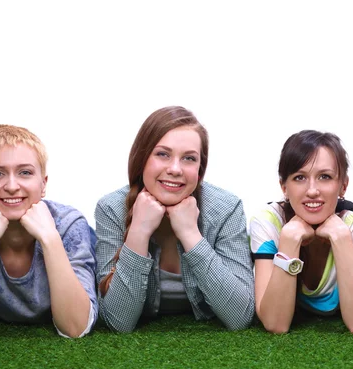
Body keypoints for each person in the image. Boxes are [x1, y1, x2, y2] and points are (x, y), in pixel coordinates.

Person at [95, 106, 254, 331]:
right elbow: (118, 323)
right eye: (163, 154)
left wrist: (190, 234)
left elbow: (240, 317)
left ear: (200, 170)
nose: (175, 169)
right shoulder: (111, 208)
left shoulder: (226, 208)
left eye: (189, 158)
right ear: (142, 159)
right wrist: (139, 230)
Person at [0, 125, 98, 341]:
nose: (12, 186)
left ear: (43, 184)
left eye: (25, 172)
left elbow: (76, 327)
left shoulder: (69, 223)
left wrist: (50, 238)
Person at [249, 130, 353, 334]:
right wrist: (290, 240)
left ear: (343, 186)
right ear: (284, 187)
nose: (312, 190)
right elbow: (275, 324)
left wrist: (341, 238)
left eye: (325, 177)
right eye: (300, 177)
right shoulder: (268, 221)